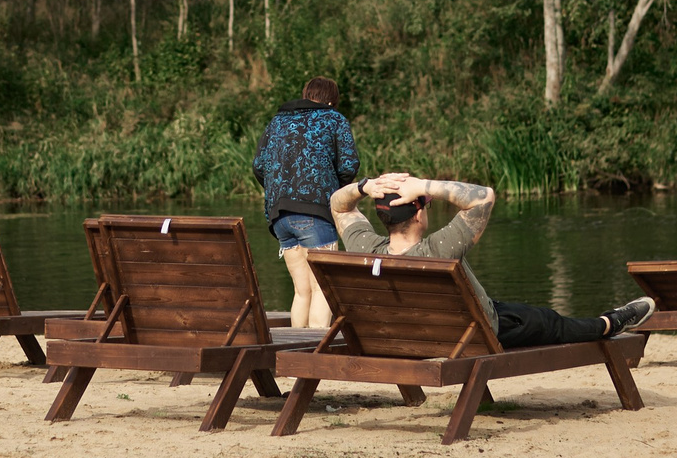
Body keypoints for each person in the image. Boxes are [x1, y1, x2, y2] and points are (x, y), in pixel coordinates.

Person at [328, 172, 653, 348]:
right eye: (424, 204)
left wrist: (364, 186)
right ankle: (611, 322)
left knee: (508, 310)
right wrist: (424, 185)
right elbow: (484, 197)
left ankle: (610, 320)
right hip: (468, 334)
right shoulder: (438, 250)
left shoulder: (366, 248)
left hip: (401, 336)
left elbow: (338, 206)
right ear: (418, 214)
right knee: (549, 322)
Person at [251, 76, 360, 328]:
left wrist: (281, 191)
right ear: (332, 100)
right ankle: (312, 359)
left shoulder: (276, 122)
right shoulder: (335, 119)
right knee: (323, 290)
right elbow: (348, 165)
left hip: (279, 217)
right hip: (316, 214)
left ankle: (293, 357)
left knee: (302, 291)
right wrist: (334, 192)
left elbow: (258, 166)